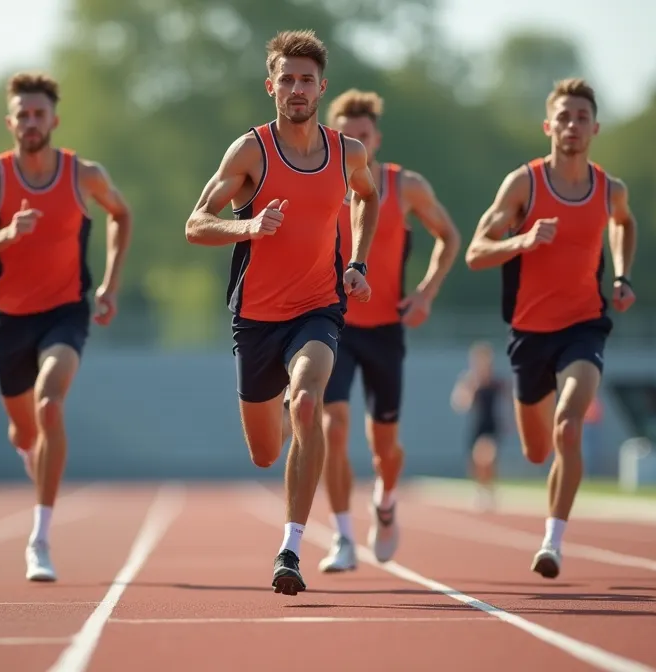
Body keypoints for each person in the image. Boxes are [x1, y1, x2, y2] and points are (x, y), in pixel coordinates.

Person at [184, 29, 378, 596]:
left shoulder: (348, 153)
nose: (297, 88)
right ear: (270, 86)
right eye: (287, 79)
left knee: (309, 401)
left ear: (322, 88)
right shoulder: (251, 152)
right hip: (256, 318)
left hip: (318, 307)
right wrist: (248, 225)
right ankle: (278, 408)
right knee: (266, 453)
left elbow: (368, 196)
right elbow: (196, 224)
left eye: (306, 80)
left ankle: (290, 547)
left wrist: (358, 262)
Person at [0, 72, 133, 583]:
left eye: (39, 114)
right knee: (25, 428)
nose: (31, 122)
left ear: (54, 120)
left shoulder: (83, 174)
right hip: (9, 317)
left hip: (65, 311)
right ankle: (30, 448)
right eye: (23, 115)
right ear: (10, 122)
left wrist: (110, 284)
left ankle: (40, 538)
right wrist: (7, 235)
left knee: (50, 402)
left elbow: (121, 215)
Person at [463, 78, 637, 580]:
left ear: (595, 128)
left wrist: (622, 276)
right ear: (548, 126)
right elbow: (475, 252)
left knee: (569, 425)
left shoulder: (610, 189)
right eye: (563, 117)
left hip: (584, 326)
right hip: (529, 334)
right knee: (537, 449)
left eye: (582, 117)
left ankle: (552, 541)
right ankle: (551, 520)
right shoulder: (525, 185)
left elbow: (624, 223)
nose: (572, 125)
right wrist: (521, 241)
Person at [314, 89, 462, 573]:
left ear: (376, 138)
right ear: (333, 137)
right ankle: (342, 536)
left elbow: (449, 237)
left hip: (384, 330)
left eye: (363, 135)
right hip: (333, 325)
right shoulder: (318, 183)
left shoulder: (405, 186)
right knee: (333, 428)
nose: (354, 143)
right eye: (345, 135)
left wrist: (425, 293)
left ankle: (386, 498)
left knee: (384, 448)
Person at [450, 341, 507, 512]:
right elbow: (459, 403)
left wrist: (508, 422)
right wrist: (470, 390)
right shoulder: (470, 382)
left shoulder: (497, 383)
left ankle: (489, 490)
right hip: (477, 427)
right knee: (476, 463)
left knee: (486, 457)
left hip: (492, 427)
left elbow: (507, 403)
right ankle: (482, 489)